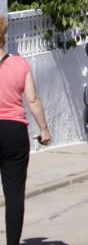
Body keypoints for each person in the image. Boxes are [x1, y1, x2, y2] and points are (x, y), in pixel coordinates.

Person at [0, 14, 52, 245]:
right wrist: (44, 129)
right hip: (13, 131)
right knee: (14, 194)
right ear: (4, 36)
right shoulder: (19, 64)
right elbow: (33, 100)